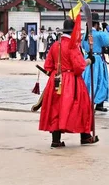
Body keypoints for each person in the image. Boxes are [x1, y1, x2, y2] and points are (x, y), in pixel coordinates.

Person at [39, 18, 98, 147]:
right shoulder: (72, 46)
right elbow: (79, 66)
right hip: (71, 80)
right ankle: (86, 136)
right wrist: (89, 60)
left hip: (55, 80)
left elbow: (47, 65)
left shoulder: (55, 45)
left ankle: (56, 140)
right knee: (82, 106)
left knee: (56, 108)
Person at [81, 13, 109, 112]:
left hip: (87, 58)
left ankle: (90, 101)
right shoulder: (99, 34)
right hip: (97, 59)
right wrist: (107, 27)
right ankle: (96, 102)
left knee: (87, 80)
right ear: (96, 24)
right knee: (100, 80)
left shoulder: (84, 35)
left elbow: (82, 45)